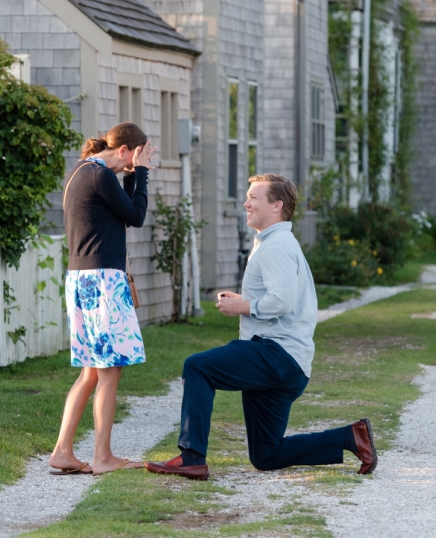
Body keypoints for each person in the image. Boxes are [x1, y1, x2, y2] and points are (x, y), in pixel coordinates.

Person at [145, 174, 377, 480]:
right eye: (247, 196)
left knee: (198, 367)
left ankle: (192, 457)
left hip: (276, 354)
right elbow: (280, 297)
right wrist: (247, 300)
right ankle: (351, 437)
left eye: (254, 197)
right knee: (267, 454)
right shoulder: (275, 243)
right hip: (287, 363)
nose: (246, 202)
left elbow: (281, 301)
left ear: (277, 205)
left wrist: (242, 306)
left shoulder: (276, 246)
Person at [49, 122, 156, 476]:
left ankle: (63, 451)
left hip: (82, 280)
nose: (132, 166)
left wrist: (132, 172)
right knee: (110, 370)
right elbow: (136, 216)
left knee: (92, 371)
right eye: (134, 158)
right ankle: (103, 457)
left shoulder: (84, 171)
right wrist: (140, 173)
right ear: (125, 150)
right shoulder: (99, 175)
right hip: (103, 282)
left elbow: (123, 208)